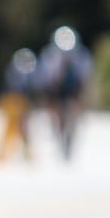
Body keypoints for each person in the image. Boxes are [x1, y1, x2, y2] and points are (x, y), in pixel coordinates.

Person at [35, 25, 93, 158]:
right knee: (57, 117)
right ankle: (60, 136)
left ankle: (69, 138)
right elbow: (47, 82)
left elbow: (84, 81)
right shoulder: (50, 57)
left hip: (73, 91)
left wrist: (82, 101)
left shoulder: (81, 57)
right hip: (56, 91)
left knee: (71, 115)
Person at [0, 47, 38, 161]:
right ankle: (4, 154)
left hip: (19, 101)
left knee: (21, 128)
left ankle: (25, 154)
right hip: (13, 101)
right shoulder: (14, 71)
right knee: (12, 127)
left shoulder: (21, 72)